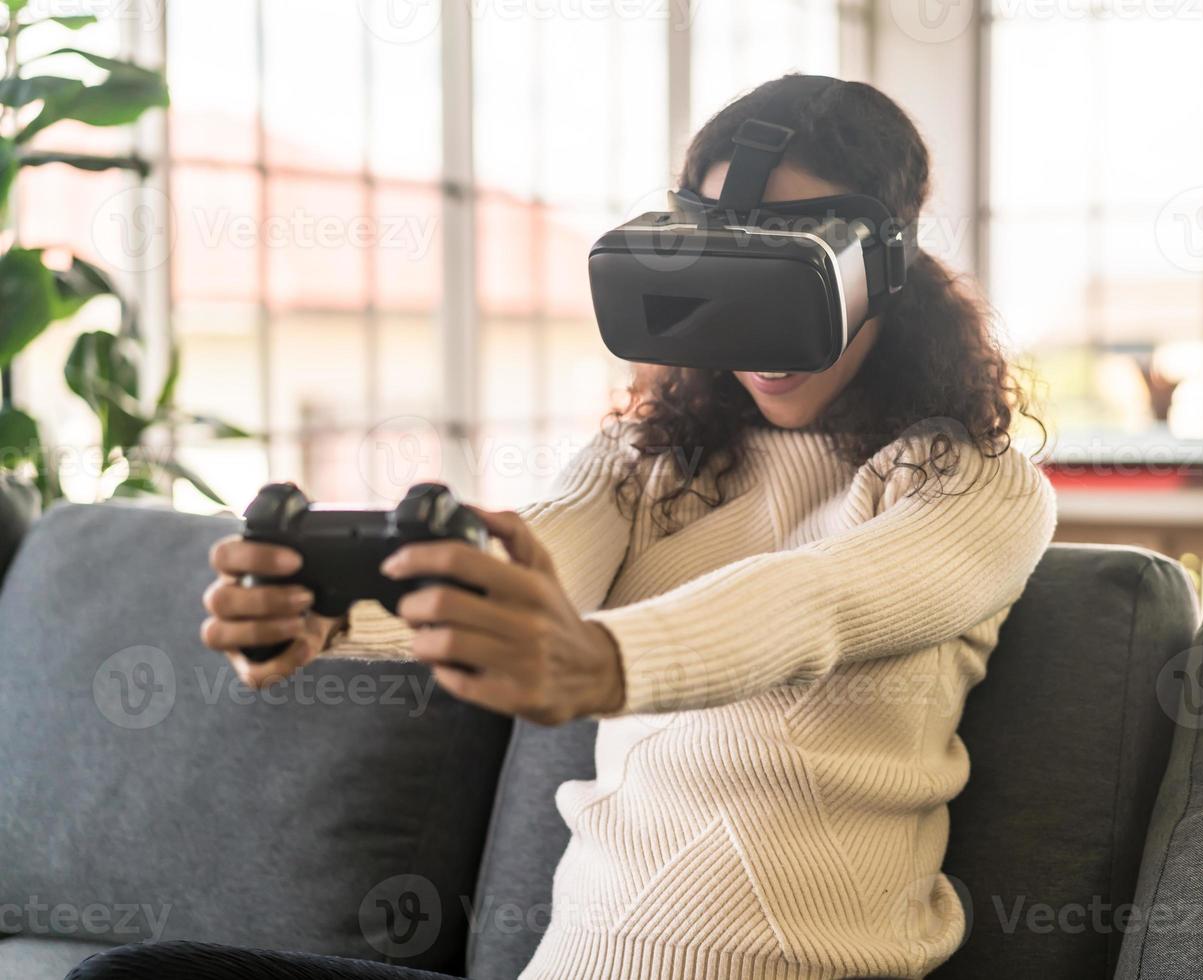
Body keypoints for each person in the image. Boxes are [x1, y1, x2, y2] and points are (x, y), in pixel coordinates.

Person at [69, 74, 1056, 980]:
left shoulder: (970, 488)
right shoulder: (651, 463)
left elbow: (812, 601)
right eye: (727, 267)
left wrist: (597, 660)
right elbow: (530, 555)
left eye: (788, 275)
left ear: (885, 267)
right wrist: (329, 608)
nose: (759, 337)